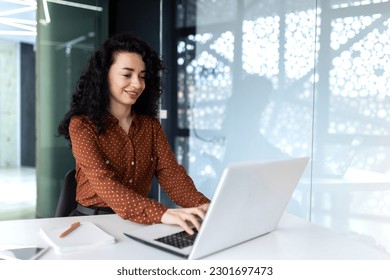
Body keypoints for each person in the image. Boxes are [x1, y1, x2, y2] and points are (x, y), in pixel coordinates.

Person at [57, 33, 209, 234]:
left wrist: (205, 207)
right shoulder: (82, 125)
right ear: (104, 75)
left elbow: (171, 175)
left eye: (142, 76)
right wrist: (162, 213)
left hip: (138, 222)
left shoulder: (150, 126)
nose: (137, 84)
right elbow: (105, 183)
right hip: (91, 224)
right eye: (127, 75)